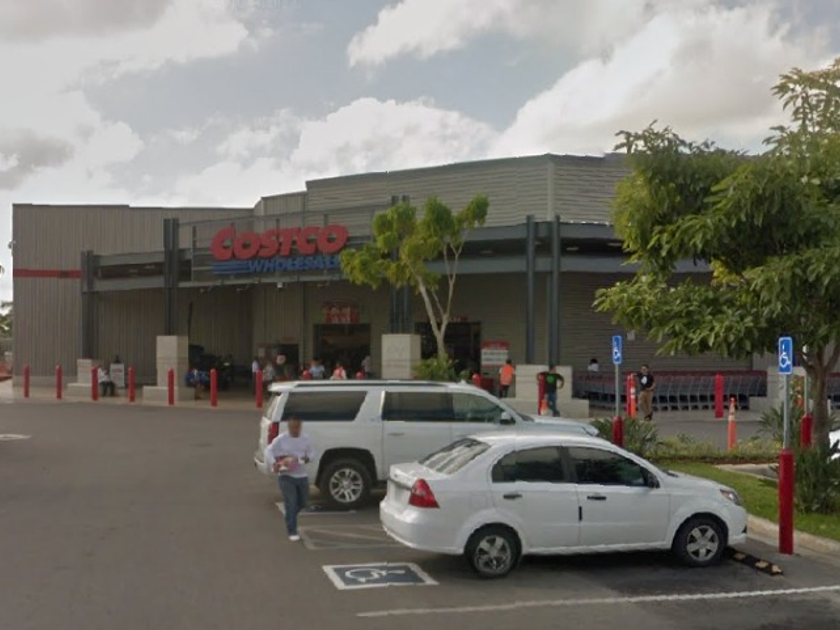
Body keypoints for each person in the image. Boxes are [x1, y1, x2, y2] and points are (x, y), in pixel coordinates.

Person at [264, 417, 316, 542]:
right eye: (292, 427)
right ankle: (292, 531)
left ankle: (290, 515)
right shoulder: (282, 439)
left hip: (301, 475)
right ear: (288, 427)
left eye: (297, 427)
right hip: (286, 476)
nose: (294, 430)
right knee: (291, 503)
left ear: (300, 427)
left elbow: (312, 454)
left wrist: (303, 459)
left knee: (303, 502)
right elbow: (268, 450)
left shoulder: (306, 438)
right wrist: (274, 463)